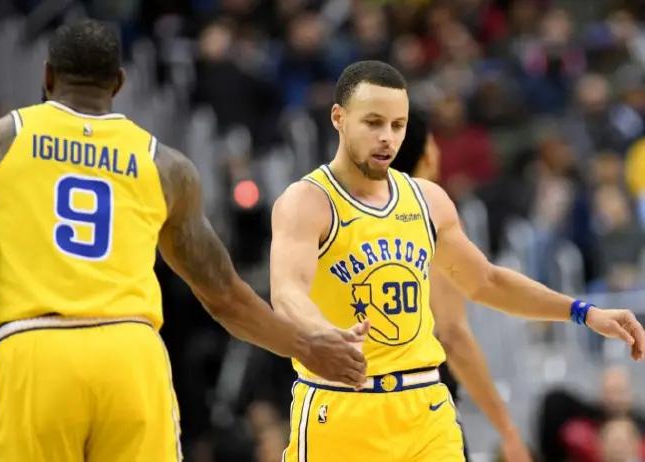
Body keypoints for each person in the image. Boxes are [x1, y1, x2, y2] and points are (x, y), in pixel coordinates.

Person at [0, 20, 368, 461]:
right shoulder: (164, 165)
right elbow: (225, 297)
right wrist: (307, 347)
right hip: (131, 356)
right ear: (119, 83)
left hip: (34, 350)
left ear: (47, 75)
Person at [270, 60, 645, 462]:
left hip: (425, 407)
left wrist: (583, 312)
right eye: (373, 123)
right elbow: (287, 292)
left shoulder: (428, 201)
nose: (386, 138)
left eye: (397, 125)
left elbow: (486, 282)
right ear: (339, 118)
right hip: (342, 405)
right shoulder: (308, 201)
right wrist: (323, 332)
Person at [391, 110, 532, 462]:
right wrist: (507, 429)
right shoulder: (426, 218)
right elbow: (452, 334)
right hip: (422, 411)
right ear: (425, 154)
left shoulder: (346, 216)